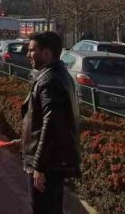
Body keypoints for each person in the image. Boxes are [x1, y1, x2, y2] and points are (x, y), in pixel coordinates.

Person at [22, 31, 80, 214]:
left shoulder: (49, 80)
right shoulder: (56, 74)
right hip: (52, 161)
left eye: (32, 50)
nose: (27, 55)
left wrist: (39, 166)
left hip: (48, 164)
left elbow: (52, 124)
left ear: (46, 53)